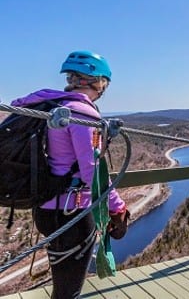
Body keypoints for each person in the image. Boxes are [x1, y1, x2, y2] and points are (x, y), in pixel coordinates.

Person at [11, 51, 128, 299]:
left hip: (48, 208)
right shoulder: (81, 112)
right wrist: (117, 208)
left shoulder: (54, 104)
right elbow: (92, 172)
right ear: (98, 82)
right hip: (70, 214)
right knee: (68, 291)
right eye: (104, 84)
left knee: (63, 287)